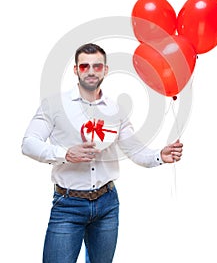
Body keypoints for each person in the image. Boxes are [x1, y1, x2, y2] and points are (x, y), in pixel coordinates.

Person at [22, 43, 183, 263]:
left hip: (107, 204)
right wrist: (65, 153)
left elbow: (134, 150)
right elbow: (28, 143)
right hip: (68, 204)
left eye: (97, 66)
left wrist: (159, 156)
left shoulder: (116, 109)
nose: (91, 71)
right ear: (76, 70)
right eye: (85, 66)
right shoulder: (54, 105)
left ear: (105, 70)